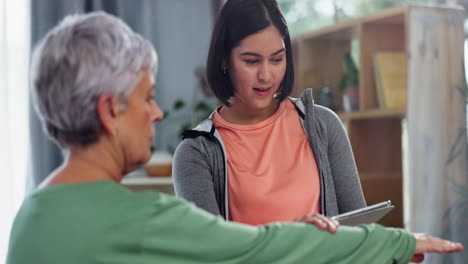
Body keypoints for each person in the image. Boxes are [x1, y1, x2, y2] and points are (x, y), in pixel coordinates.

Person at [7, 11, 463, 264]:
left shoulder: (30, 214)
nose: (158, 112)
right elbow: (249, 251)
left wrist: (369, 247)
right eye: (147, 97)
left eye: (278, 57)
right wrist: (396, 243)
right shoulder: (152, 209)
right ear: (110, 110)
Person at [173, 0, 365, 225]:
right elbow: (212, 252)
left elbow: (361, 231)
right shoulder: (196, 154)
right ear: (224, 59)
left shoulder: (324, 126)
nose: (265, 75)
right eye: (251, 61)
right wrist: (296, 236)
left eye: (277, 59)